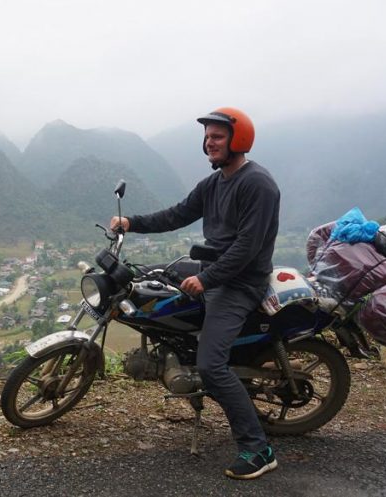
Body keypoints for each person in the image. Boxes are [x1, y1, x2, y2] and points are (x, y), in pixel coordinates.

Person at [110, 107, 280, 480]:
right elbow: (177, 214)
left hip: (239, 283)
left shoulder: (258, 185)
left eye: (217, 136)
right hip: (213, 272)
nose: (209, 142)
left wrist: (208, 280)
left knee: (212, 366)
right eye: (207, 137)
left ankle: (257, 448)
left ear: (238, 139)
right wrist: (132, 223)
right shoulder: (214, 182)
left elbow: (246, 248)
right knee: (154, 282)